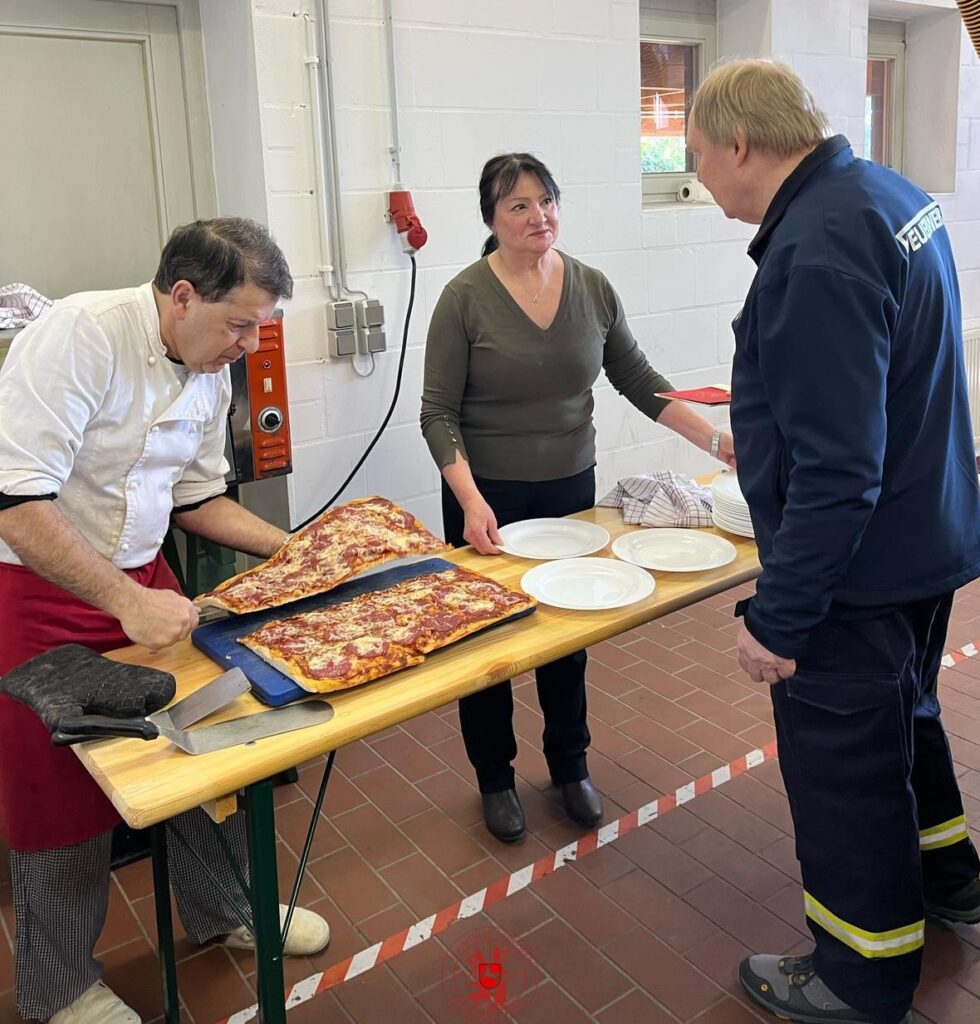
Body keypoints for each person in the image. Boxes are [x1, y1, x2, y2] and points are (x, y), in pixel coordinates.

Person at [686, 59, 980, 1024]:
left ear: (740, 143)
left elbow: (836, 471)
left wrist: (779, 619)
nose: (701, 182)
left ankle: (859, 973)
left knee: (846, 774)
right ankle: (952, 883)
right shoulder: (890, 195)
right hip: (928, 540)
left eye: (698, 160)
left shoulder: (813, 249)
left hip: (858, 577)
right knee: (911, 721)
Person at [0, 218, 330, 1024]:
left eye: (261, 326)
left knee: (201, 752)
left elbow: (196, 497)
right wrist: (124, 601)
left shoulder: (210, 367)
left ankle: (226, 914)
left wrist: (291, 550)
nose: (250, 344)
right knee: (57, 802)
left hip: (146, 584)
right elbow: (13, 500)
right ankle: (60, 990)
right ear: (181, 295)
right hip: (40, 594)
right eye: (240, 323)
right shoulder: (77, 337)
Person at [420, 153, 735, 844]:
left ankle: (570, 766)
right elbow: (437, 413)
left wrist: (715, 442)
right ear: (491, 219)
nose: (539, 217)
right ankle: (495, 779)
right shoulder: (464, 298)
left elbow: (639, 379)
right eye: (518, 207)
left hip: (569, 490)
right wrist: (470, 500)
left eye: (546, 201)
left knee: (568, 632)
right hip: (487, 501)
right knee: (489, 642)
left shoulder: (590, 286)